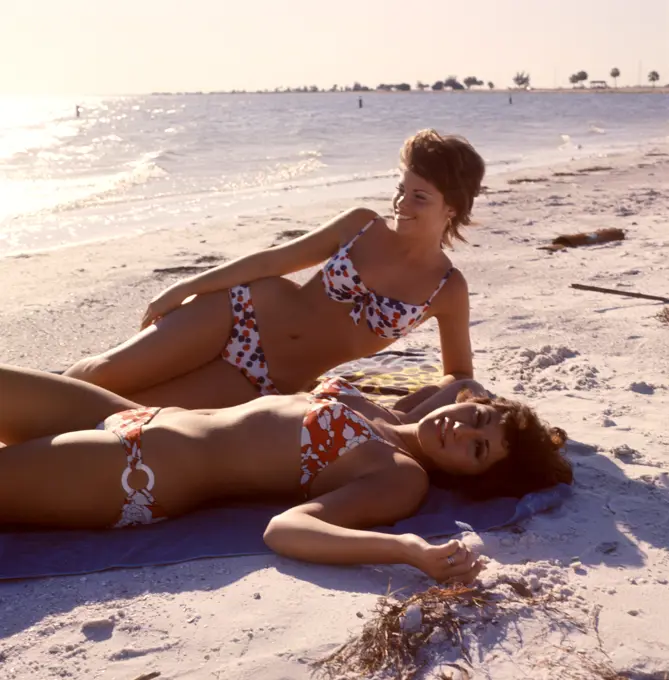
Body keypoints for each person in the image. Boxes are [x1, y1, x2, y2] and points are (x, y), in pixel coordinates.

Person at [0, 365, 572, 582]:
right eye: (474, 417)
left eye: (476, 449)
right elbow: (455, 384)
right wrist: (509, 422)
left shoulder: (400, 475)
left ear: (469, 478)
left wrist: (409, 552)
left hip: (136, 471)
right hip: (131, 414)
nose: (459, 429)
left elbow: (287, 530)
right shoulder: (399, 417)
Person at [65, 129, 486, 409]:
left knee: (129, 412)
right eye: (400, 189)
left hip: (269, 381)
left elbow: (460, 375)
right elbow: (273, 260)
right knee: (103, 375)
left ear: (452, 207)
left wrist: (424, 404)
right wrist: (183, 288)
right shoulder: (361, 226)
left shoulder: (448, 288)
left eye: (419, 197)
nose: (400, 204)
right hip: (240, 313)